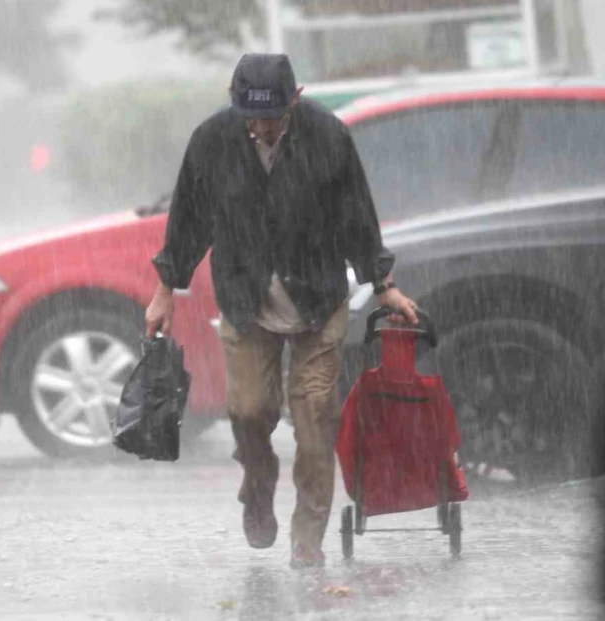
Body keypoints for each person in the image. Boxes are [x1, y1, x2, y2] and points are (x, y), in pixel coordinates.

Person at [146, 53, 419, 569]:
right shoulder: (213, 141)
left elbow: (358, 216)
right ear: (236, 104)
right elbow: (188, 220)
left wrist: (383, 284)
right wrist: (166, 289)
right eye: (252, 116)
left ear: (294, 100)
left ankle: (307, 538)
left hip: (317, 297)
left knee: (315, 414)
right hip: (246, 301)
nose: (263, 126)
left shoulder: (328, 137)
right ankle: (258, 487)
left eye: (272, 116)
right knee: (249, 411)